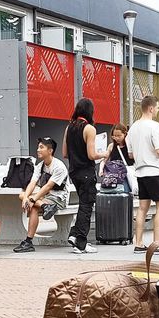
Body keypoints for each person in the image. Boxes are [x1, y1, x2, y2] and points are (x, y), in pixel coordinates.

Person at [128, 95, 159, 255]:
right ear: (151, 108)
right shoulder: (154, 126)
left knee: (142, 208)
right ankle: (158, 244)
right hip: (154, 171)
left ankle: (139, 243)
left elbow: (131, 154)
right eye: (157, 107)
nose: (158, 110)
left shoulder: (133, 127)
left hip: (140, 172)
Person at [62, 98, 105, 255]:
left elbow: (65, 153)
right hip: (86, 172)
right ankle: (80, 241)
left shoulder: (69, 127)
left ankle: (75, 236)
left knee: (83, 204)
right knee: (86, 206)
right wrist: (104, 154)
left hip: (73, 172)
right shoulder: (89, 129)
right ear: (90, 111)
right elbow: (91, 154)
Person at [13, 138, 69, 254]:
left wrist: (33, 199)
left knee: (33, 206)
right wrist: (26, 198)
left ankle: (28, 241)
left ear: (50, 151)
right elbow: (32, 183)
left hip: (59, 198)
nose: (38, 150)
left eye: (41, 147)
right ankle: (45, 207)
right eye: (38, 147)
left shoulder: (59, 166)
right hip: (46, 198)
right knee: (22, 194)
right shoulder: (40, 166)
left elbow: (48, 186)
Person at [100, 124, 135, 193]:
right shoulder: (111, 146)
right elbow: (104, 160)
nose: (116, 138)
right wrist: (101, 170)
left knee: (125, 194)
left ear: (125, 134)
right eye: (114, 136)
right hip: (114, 177)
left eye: (119, 136)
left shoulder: (130, 146)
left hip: (127, 176)